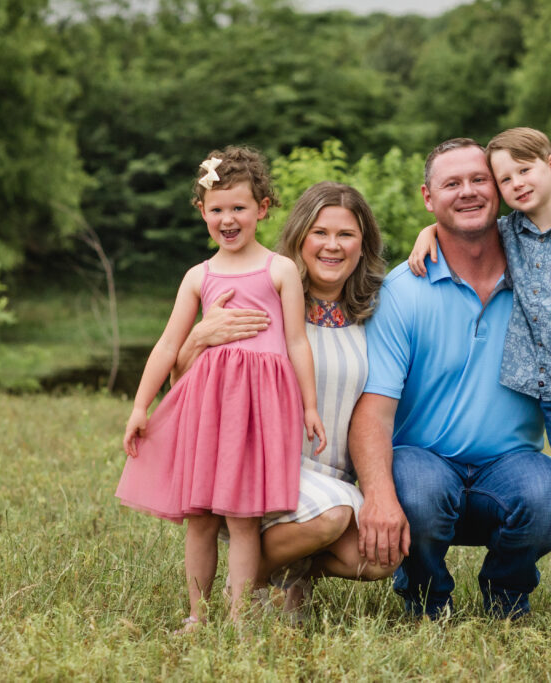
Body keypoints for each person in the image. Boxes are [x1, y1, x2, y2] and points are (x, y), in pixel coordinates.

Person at [349, 138, 551, 622]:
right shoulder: (402, 290)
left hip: (508, 467)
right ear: (428, 197)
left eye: (479, 180)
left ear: (500, 190)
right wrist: (377, 494)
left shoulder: (537, 274)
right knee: (416, 488)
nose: (467, 192)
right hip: (423, 465)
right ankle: (425, 597)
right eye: (451, 184)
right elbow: (372, 411)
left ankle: (505, 594)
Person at [116, 146, 326, 630]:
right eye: (217, 209)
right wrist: (140, 406)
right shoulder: (199, 276)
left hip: (257, 410)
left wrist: (310, 405)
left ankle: (237, 617)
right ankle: (197, 615)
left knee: (242, 517)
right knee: (201, 518)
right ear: (201, 212)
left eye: (239, 208)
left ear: (263, 209)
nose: (227, 219)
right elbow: (169, 345)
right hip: (205, 407)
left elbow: (296, 340)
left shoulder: (280, 270)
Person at [173, 181, 399, 621]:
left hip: (335, 476)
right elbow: (187, 386)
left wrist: (430, 233)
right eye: (320, 233)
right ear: (299, 237)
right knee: (331, 517)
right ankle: (243, 587)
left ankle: (293, 571)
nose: (332, 246)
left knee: (378, 558)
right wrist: (197, 338)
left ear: (363, 244)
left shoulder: (377, 311)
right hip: (266, 471)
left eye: (346, 235)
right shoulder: (264, 299)